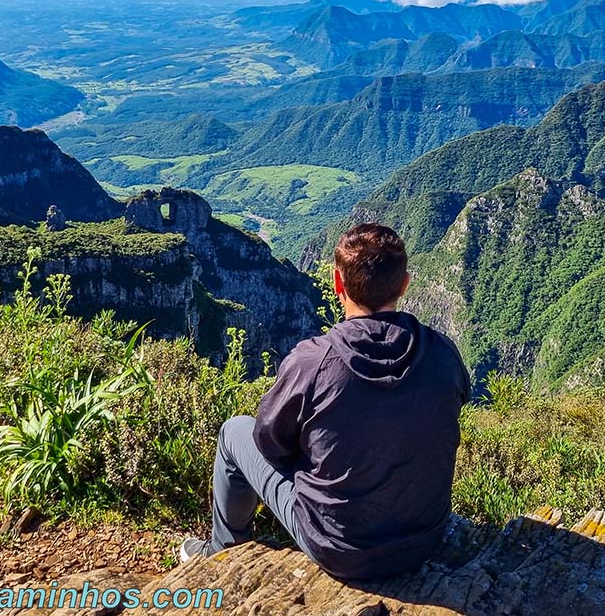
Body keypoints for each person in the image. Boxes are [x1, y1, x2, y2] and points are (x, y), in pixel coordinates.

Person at [179, 223, 471, 580]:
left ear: (337, 284)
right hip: (425, 538)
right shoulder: (442, 352)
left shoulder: (314, 361)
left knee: (233, 432)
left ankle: (222, 552)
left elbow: (268, 442)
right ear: (405, 284)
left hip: (340, 550)